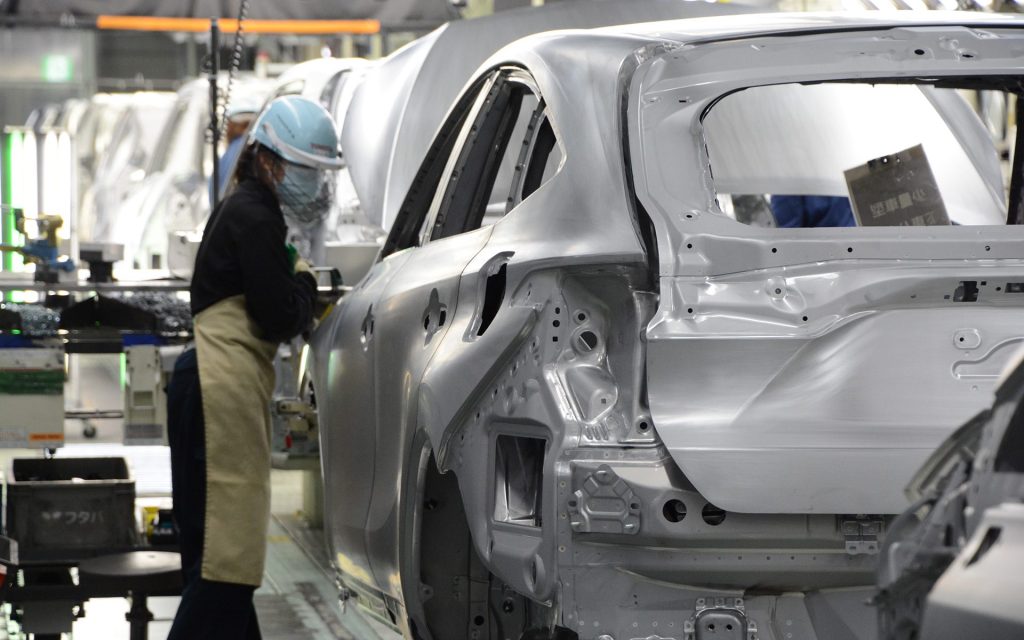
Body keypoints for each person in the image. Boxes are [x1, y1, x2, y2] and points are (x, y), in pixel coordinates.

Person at [167, 95, 343, 639]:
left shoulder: (243, 205)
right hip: (220, 390)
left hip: (208, 384)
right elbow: (273, 317)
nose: (313, 185)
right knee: (226, 571)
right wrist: (307, 287)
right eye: (306, 171)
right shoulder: (257, 216)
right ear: (269, 159)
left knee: (220, 560)